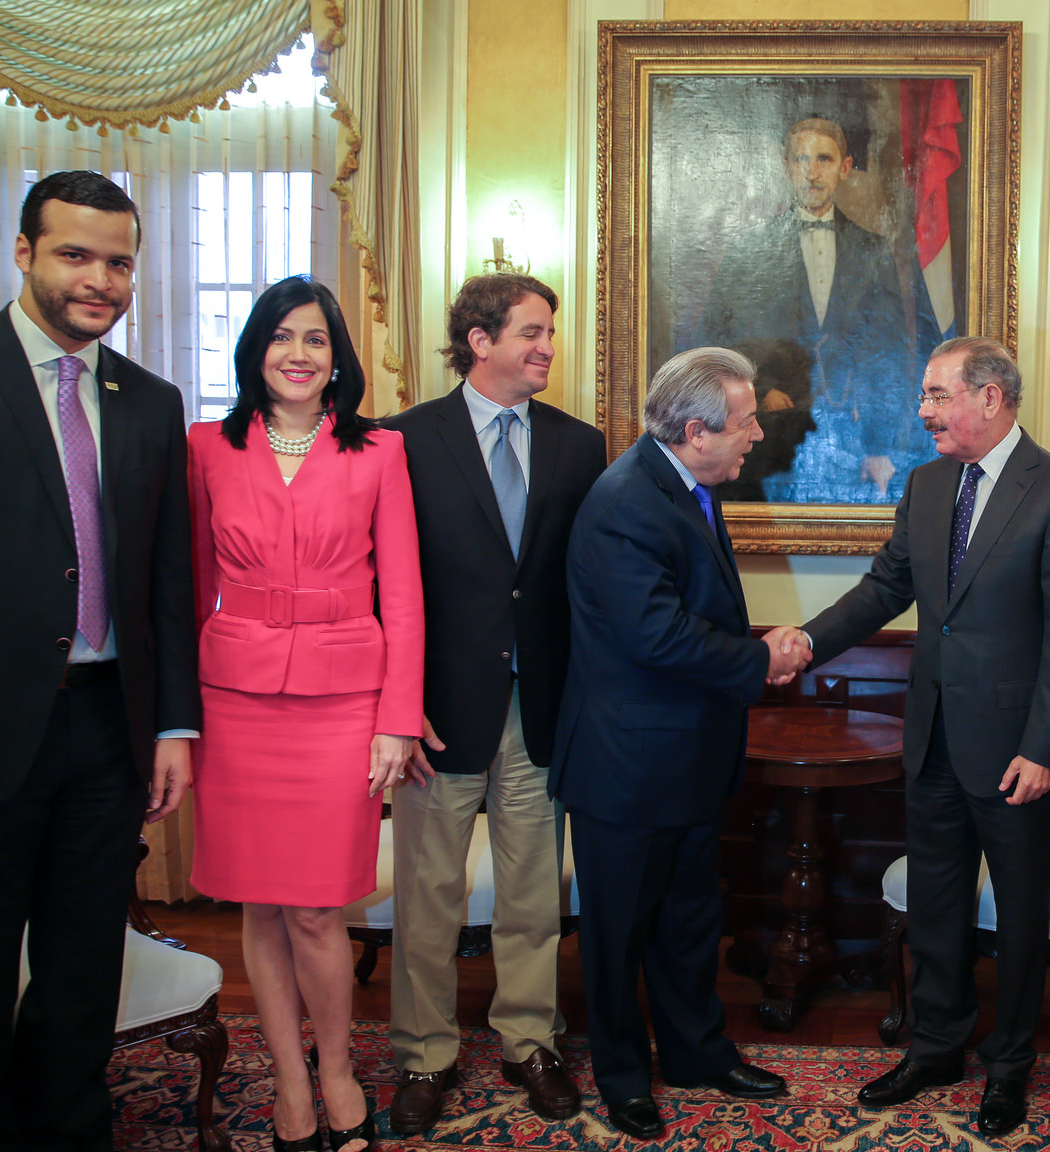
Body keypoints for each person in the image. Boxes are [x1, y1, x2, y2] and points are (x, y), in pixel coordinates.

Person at [0, 171, 200, 1151]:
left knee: (80, 975)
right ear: (23, 253)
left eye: (118, 261)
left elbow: (165, 582)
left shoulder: (150, 400)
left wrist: (175, 726)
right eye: (75, 254)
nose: (99, 278)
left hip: (108, 735)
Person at [785, 335, 1050, 1137]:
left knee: (1023, 913)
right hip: (932, 738)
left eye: (935, 395)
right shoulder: (929, 486)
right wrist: (804, 644)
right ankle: (935, 1047)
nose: (922, 412)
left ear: (989, 397)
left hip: (1020, 751)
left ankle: (1010, 1066)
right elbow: (887, 586)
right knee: (935, 904)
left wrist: (1043, 746)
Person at [187, 274, 423, 1152]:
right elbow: (186, 590)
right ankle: (289, 1083)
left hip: (343, 706)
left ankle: (335, 1071)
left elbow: (403, 596)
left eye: (315, 339)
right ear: (256, 349)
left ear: (337, 359)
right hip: (236, 703)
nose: (297, 353)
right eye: (281, 336)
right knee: (258, 906)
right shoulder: (205, 446)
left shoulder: (380, 452)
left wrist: (397, 717)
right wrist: (176, 720)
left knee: (320, 910)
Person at [553, 347, 803, 1139]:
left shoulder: (685, 486)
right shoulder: (628, 499)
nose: (757, 433)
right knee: (619, 934)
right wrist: (761, 659)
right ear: (696, 430)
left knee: (690, 921)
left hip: (685, 758)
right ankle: (624, 1079)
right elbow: (656, 636)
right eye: (744, 421)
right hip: (626, 769)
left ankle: (697, 1054)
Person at [378, 274, 606, 1135]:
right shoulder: (402, 441)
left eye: (550, 333)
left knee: (531, 893)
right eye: (533, 332)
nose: (548, 346)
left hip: (539, 705)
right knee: (428, 895)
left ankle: (529, 1041)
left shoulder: (579, 447)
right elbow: (381, 586)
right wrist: (395, 704)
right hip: (435, 713)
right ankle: (424, 1055)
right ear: (479, 340)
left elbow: (580, 586)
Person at [700, 116, 925, 503]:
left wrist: (877, 444)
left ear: (845, 167)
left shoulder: (873, 249)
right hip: (764, 433)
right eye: (802, 159)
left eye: (824, 159)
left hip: (850, 437)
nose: (813, 172)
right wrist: (763, 389)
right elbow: (716, 342)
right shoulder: (749, 249)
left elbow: (887, 353)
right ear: (787, 167)